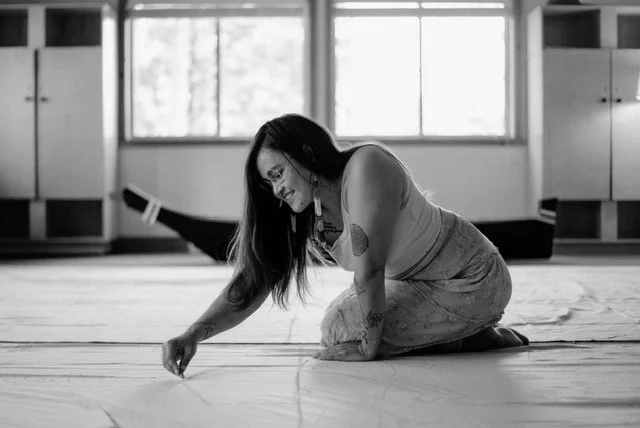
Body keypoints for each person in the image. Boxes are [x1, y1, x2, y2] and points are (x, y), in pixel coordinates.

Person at [160, 113, 528, 378]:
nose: (277, 189)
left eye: (278, 174)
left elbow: (370, 271)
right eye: (269, 183)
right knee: (336, 328)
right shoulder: (306, 208)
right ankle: (464, 333)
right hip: (416, 282)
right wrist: (194, 333)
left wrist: (370, 348)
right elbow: (256, 280)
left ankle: (478, 336)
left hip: (471, 278)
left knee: (345, 329)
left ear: (306, 152)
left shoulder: (366, 166)